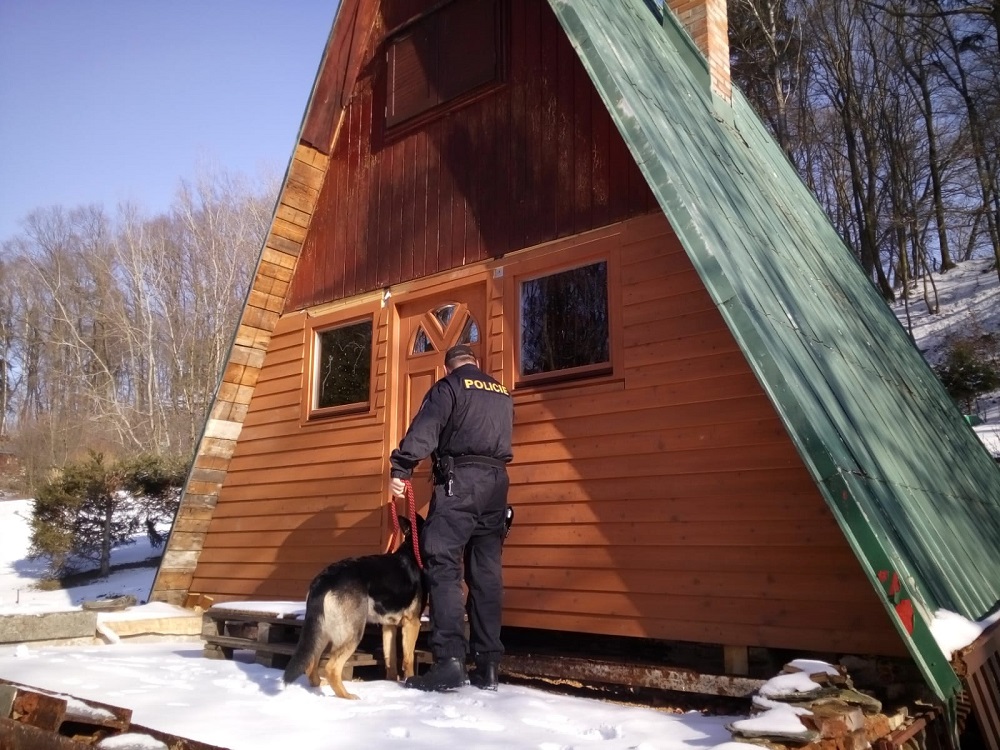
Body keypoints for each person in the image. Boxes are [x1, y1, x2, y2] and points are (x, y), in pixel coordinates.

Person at [389, 343, 513, 692]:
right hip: (497, 484)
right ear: (476, 363)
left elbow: (426, 429)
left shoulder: (449, 388)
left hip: (461, 483)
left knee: (442, 563)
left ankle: (450, 663)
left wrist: (402, 467)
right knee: (486, 573)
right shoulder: (502, 392)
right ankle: (488, 666)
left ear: (448, 368)